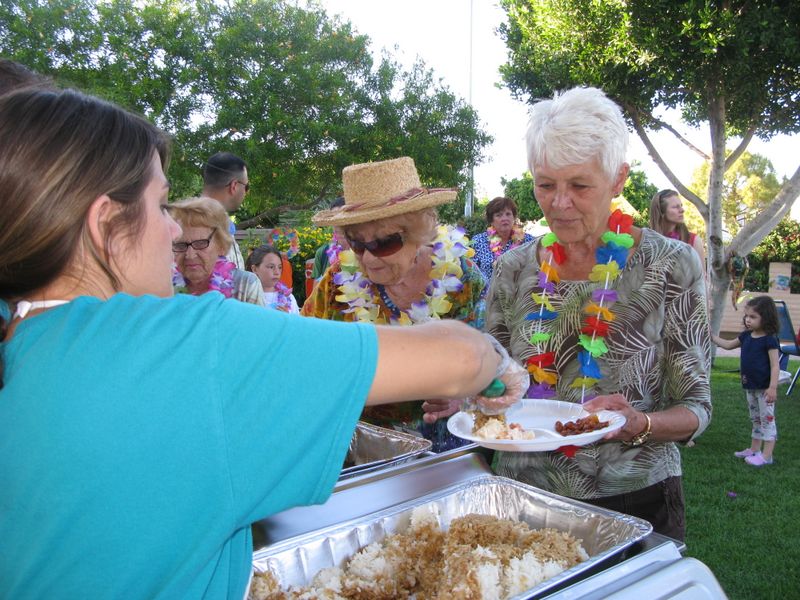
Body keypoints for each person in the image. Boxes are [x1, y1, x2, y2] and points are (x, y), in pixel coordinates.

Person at [0, 87, 528, 598]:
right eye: (162, 205)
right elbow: (462, 356)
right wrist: (497, 364)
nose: (173, 232)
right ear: (105, 224)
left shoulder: (19, 341)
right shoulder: (195, 343)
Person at [428, 87, 712, 541]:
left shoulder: (671, 264)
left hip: (635, 500)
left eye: (579, 185)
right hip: (522, 499)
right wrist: (462, 398)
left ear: (618, 179)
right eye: (545, 185)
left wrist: (640, 424)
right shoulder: (513, 267)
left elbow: (697, 407)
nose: (559, 203)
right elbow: (496, 384)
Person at [303, 157, 488, 451]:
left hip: (444, 449)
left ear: (419, 234)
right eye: (357, 243)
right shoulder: (336, 280)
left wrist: (462, 395)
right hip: (364, 448)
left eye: (384, 243)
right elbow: (307, 351)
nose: (368, 258)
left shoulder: (464, 282)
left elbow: (490, 360)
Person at [711, 296, 780, 466]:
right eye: (747, 316)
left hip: (764, 388)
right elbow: (727, 345)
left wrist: (772, 388)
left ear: (766, 317)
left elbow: (775, 366)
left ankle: (766, 456)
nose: (748, 320)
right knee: (755, 419)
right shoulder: (746, 336)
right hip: (750, 386)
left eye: (753, 317)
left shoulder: (770, 339)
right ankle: (754, 449)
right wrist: (711, 336)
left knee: (767, 420)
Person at [169, 196, 266, 307]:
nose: (190, 255)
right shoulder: (164, 287)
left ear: (221, 245)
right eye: (180, 245)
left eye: (201, 243)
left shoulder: (245, 285)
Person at [470, 196, 534, 284]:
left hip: (519, 295)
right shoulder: (478, 241)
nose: (504, 218)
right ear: (491, 220)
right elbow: (471, 274)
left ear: (514, 217)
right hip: (487, 296)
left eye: (508, 214)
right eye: (499, 215)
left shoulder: (528, 241)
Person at [202, 151, 249, 269]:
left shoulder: (186, 221)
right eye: (246, 187)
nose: (246, 193)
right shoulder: (198, 226)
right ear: (234, 186)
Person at [649, 189, 706, 266]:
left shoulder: (694, 241)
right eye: (675, 207)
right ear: (661, 212)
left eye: (681, 206)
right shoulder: (648, 241)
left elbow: (701, 276)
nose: (682, 210)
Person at [246, 244, 300, 314]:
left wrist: (287, 319)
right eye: (271, 267)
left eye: (280, 267)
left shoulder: (288, 297)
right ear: (255, 269)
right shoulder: (245, 295)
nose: (277, 272)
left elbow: (296, 323)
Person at [311, 197, 350, 279]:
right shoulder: (322, 253)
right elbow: (316, 290)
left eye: (342, 218)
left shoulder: (363, 251)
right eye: (334, 218)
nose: (338, 224)